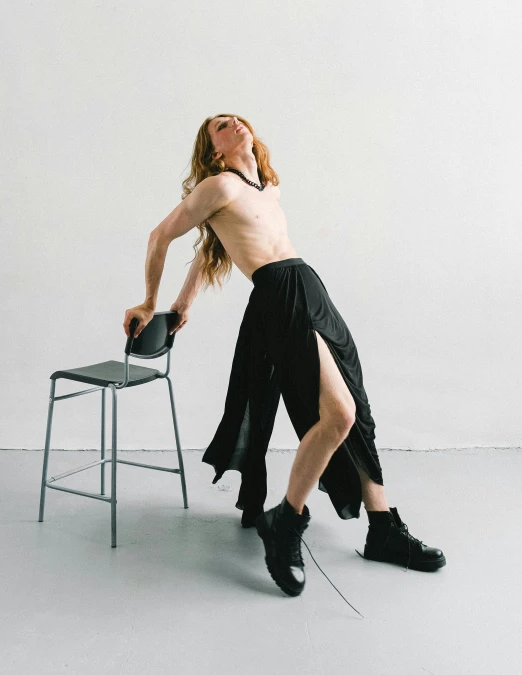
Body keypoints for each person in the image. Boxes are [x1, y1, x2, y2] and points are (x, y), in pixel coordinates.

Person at [123, 114, 446, 599]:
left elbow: (211, 248)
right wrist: (151, 301)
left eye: (234, 118)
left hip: (309, 286)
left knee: (357, 411)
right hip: (279, 295)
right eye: (219, 127)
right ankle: (285, 522)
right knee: (339, 414)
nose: (232, 123)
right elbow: (160, 235)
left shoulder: (266, 189)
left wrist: (184, 303)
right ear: (214, 152)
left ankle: (382, 529)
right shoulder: (218, 185)